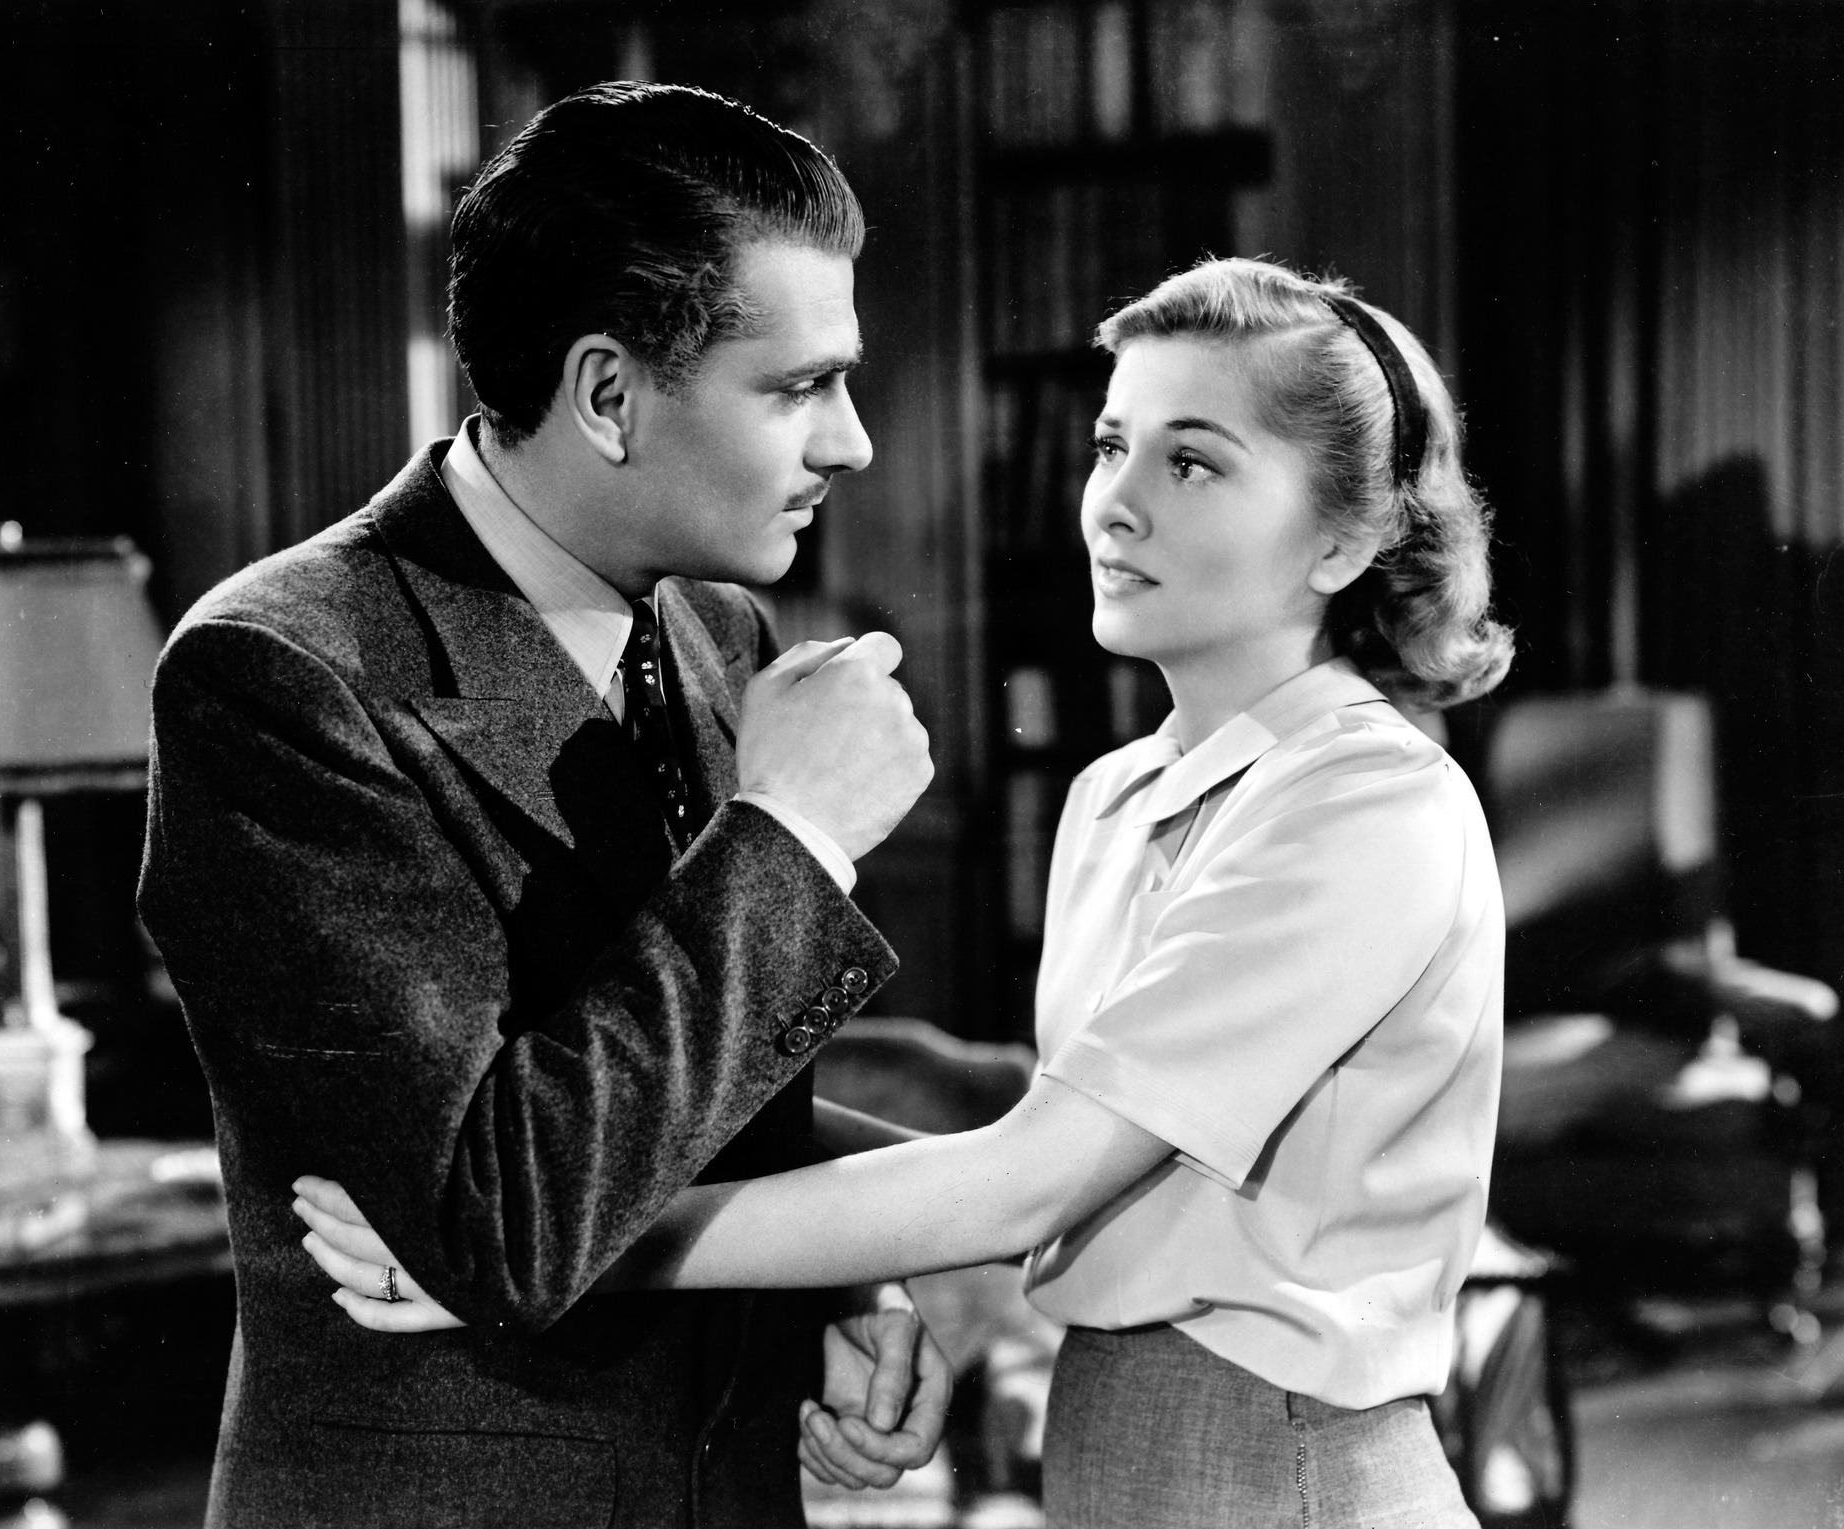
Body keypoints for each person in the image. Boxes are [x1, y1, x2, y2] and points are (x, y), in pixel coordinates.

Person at [297, 256, 1514, 1528]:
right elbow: (1063, 1165)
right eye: (1111, 446)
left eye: (1192, 462)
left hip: (1288, 1469)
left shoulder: (1366, 803)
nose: (1114, 505)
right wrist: (546, 1197)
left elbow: (1029, 1182)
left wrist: (553, 1251)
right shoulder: (1119, 795)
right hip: (1116, 1451)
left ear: (1343, 538)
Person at [138, 82, 954, 1529]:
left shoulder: (720, 631)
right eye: (798, 388)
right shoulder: (281, 673)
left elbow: (698, 1096)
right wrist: (794, 837)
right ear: (606, 396)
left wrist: (841, 1276)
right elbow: (497, 1218)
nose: (853, 443)